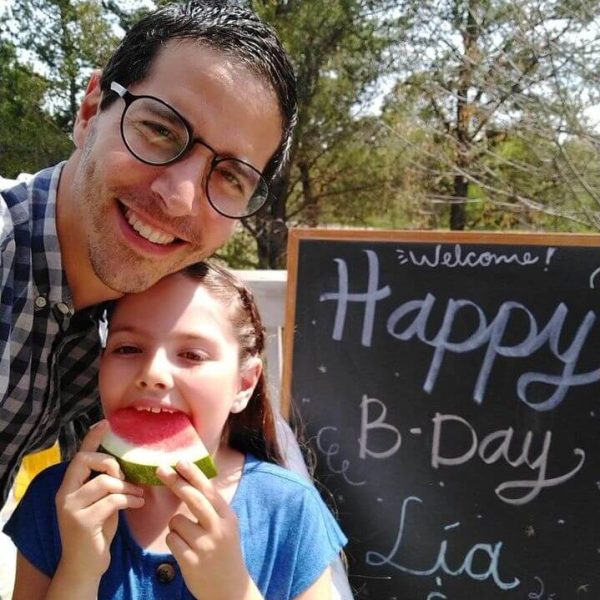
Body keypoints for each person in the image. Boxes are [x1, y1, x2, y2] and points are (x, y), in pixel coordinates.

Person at [0, 0, 297, 501]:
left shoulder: (133, 318)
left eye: (229, 176)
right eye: (160, 131)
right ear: (91, 111)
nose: (178, 195)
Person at [4, 262, 347, 599]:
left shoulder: (289, 509)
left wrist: (232, 592)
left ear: (244, 384)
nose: (153, 372)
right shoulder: (53, 501)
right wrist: (78, 572)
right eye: (128, 348)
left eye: (192, 354)